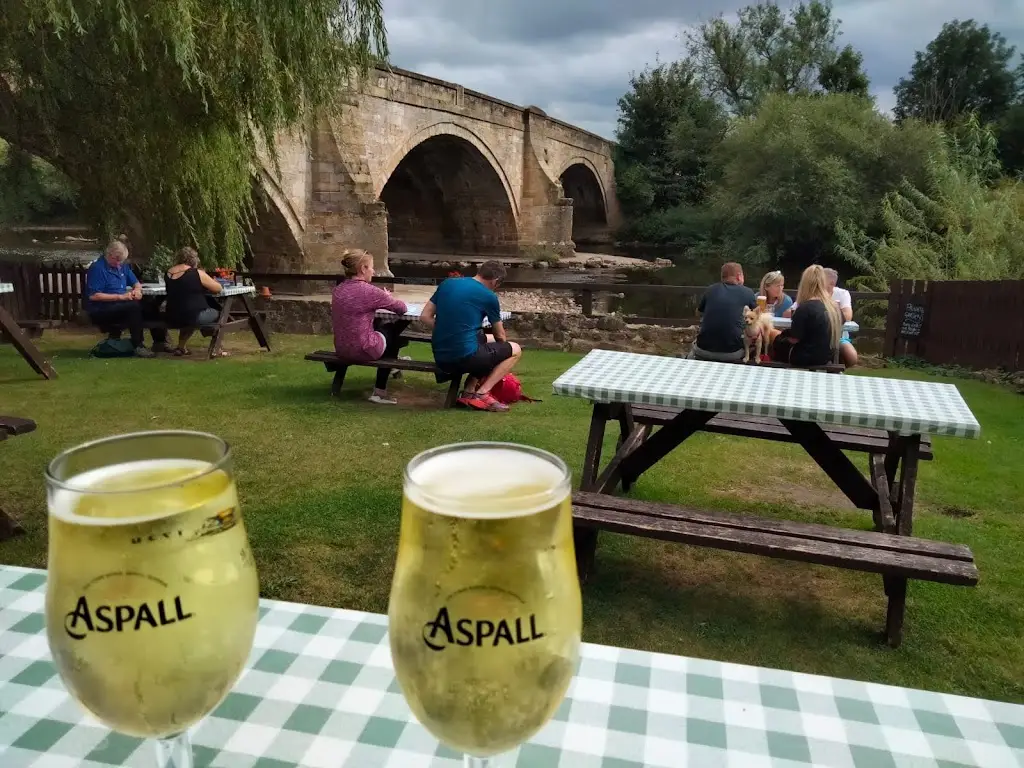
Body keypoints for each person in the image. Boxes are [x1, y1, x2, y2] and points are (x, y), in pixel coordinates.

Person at [420, 260, 521, 413]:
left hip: (441, 357)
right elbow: (500, 336)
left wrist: (447, 330)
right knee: (514, 349)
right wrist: (498, 356)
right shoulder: (489, 296)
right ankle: (482, 393)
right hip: (462, 358)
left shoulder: (448, 284)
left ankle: (468, 391)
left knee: (485, 339)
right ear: (496, 281)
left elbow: (425, 317)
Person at [331, 249, 409, 405]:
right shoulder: (369, 291)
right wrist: (387, 298)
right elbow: (401, 308)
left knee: (382, 327)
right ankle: (380, 391)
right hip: (363, 349)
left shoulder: (338, 290)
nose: (373, 270)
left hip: (342, 348)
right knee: (395, 332)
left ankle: (392, 366)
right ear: (362, 269)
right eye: (371, 267)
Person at [84, 240, 168, 358]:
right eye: (117, 259)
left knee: (150, 304)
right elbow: (94, 295)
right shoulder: (98, 268)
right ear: (109, 254)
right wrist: (121, 296)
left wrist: (137, 291)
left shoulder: (122, 267)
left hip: (120, 305)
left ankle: (160, 341)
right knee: (133, 308)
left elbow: (136, 283)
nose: (119, 263)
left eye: (122, 260)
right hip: (102, 308)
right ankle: (138, 345)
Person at [770, 265, 841, 368]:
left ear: (804, 284)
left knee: (772, 334)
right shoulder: (833, 307)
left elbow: (794, 339)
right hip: (825, 357)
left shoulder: (805, 308)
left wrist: (778, 336)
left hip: (804, 358)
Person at [691, 262, 757, 361]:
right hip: (733, 353)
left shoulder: (710, 289)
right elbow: (756, 317)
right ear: (739, 276)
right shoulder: (748, 292)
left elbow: (698, 312)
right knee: (755, 343)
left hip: (702, 350)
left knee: (694, 344)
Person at [164, 247, 223, 356]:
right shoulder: (196, 273)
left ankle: (181, 347)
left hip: (172, 316)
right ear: (193, 259)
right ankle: (217, 348)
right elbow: (218, 288)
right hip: (192, 316)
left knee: (190, 313)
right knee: (220, 313)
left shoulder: (169, 273)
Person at [824, 267, 858, 368]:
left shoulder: (842, 294)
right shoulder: (811, 291)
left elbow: (848, 316)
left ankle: (836, 369)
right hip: (814, 336)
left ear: (832, 284)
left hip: (839, 337)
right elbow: (792, 311)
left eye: (821, 280)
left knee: (852, 357)